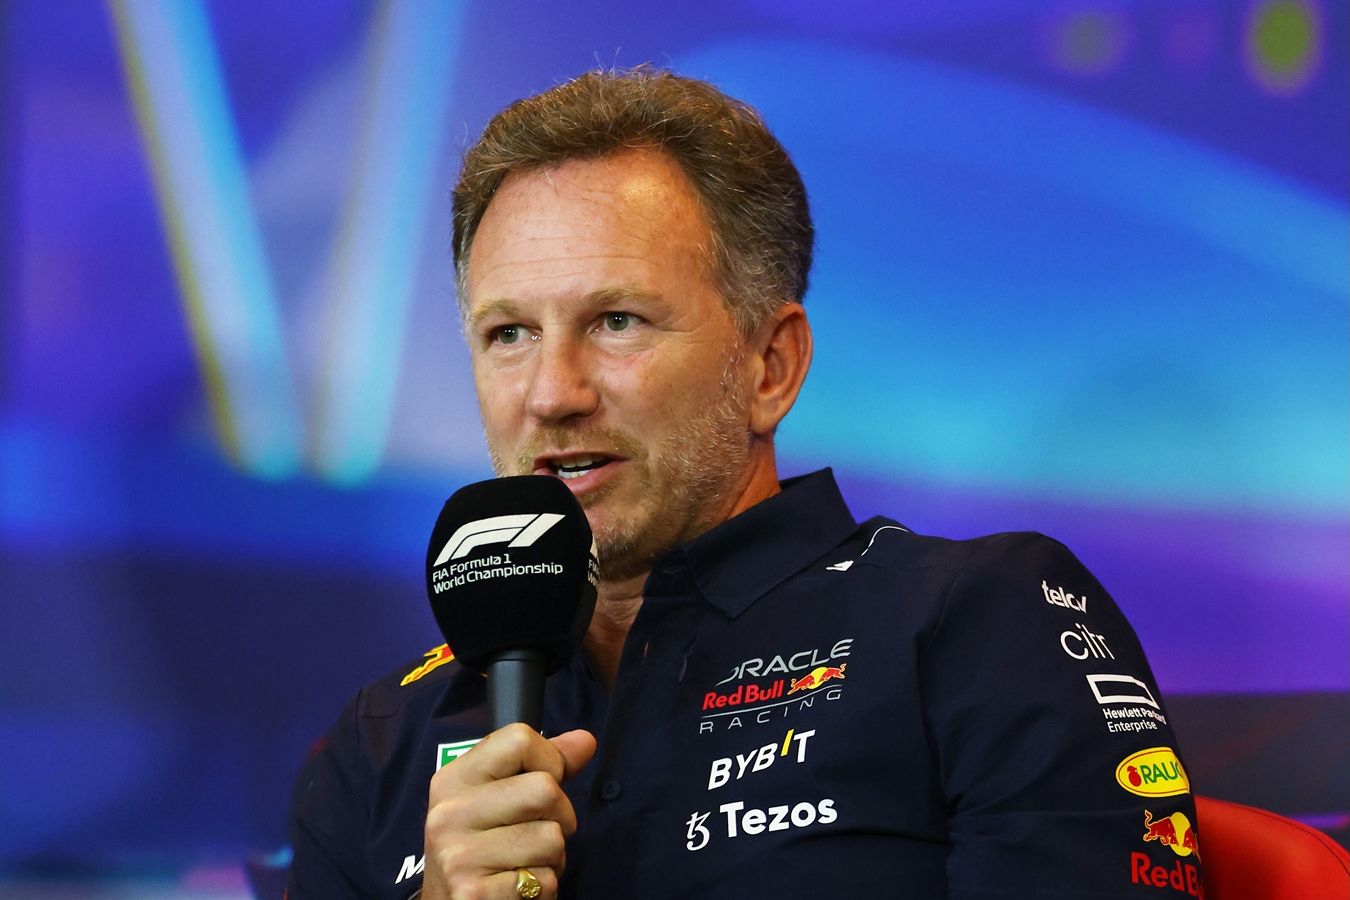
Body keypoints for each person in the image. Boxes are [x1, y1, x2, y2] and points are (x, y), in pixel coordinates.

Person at [287, 69, 1203, 900]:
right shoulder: (381, 742)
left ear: (772, 365)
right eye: (509, 335)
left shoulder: (980, 622)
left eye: (616, 320)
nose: (552, 393)